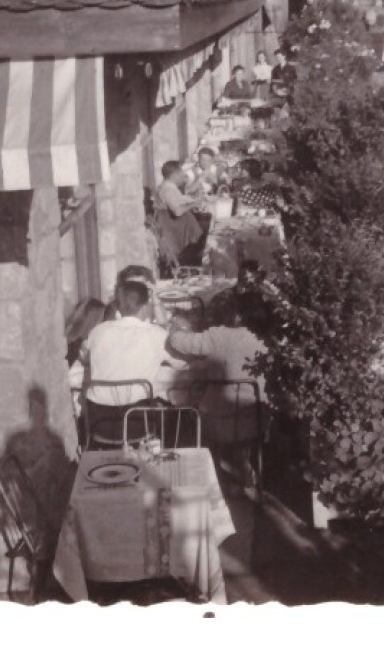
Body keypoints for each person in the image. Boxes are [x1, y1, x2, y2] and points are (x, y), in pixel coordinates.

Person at [165, 288, 270, 490]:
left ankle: (219, 471)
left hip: (216, 421)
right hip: (255, 420)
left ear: (237, 314)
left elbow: (177, 342)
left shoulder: (218, 336)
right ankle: (239, 465)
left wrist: (177, 327)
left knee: (189, 406)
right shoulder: (266, 339)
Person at [80, 280, 177, 442]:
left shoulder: (98, 331)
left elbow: (84, 357)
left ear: (118, 308)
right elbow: (181, 364)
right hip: (139, 423)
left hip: (99, 422)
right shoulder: (156, 334)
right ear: (146, 306)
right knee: (174, 410)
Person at [155, 160, 209, 270]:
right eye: (181, 173)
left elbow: (180, 200)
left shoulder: (170, 187)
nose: (183, 176)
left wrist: (193, 198)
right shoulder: (167, 189)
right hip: (176, 231)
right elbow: (178, 211)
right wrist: (194, 203)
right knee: (207, 235)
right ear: (174, 175)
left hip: (180, 227)